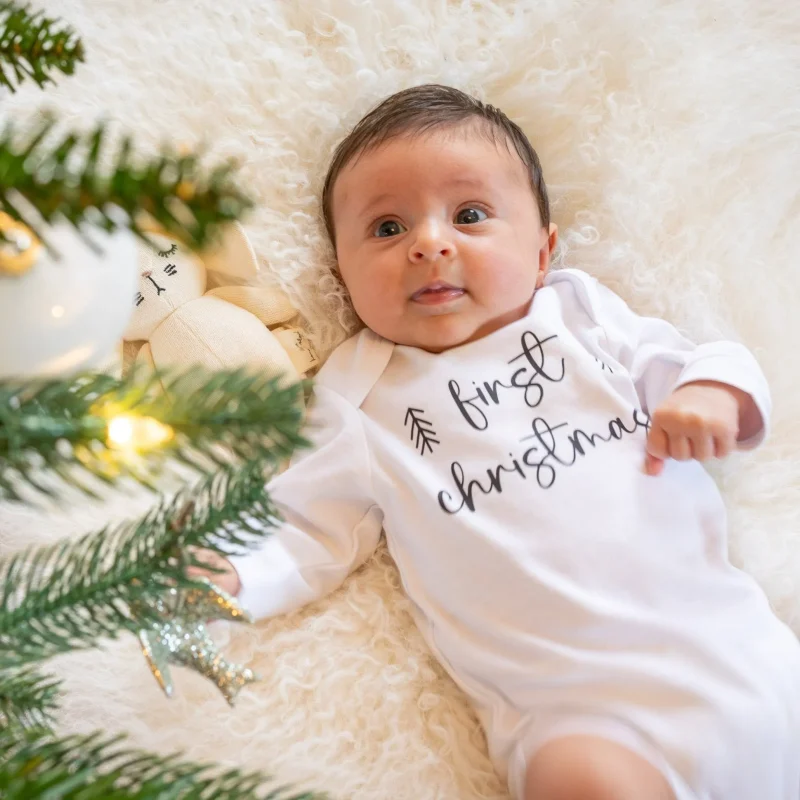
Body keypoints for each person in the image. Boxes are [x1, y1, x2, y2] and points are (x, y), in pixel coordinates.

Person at [191, 84, 800, 800]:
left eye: (470, 215)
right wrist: (234, 573)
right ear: (341, 277)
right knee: (580, 781)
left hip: (738, 658)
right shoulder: (361, 392)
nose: (429, 243)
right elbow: (306, 524)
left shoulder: (579, 316)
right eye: (386, 229)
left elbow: (709, 357)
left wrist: (711, 396)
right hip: (579, 716)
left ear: (542, 253)